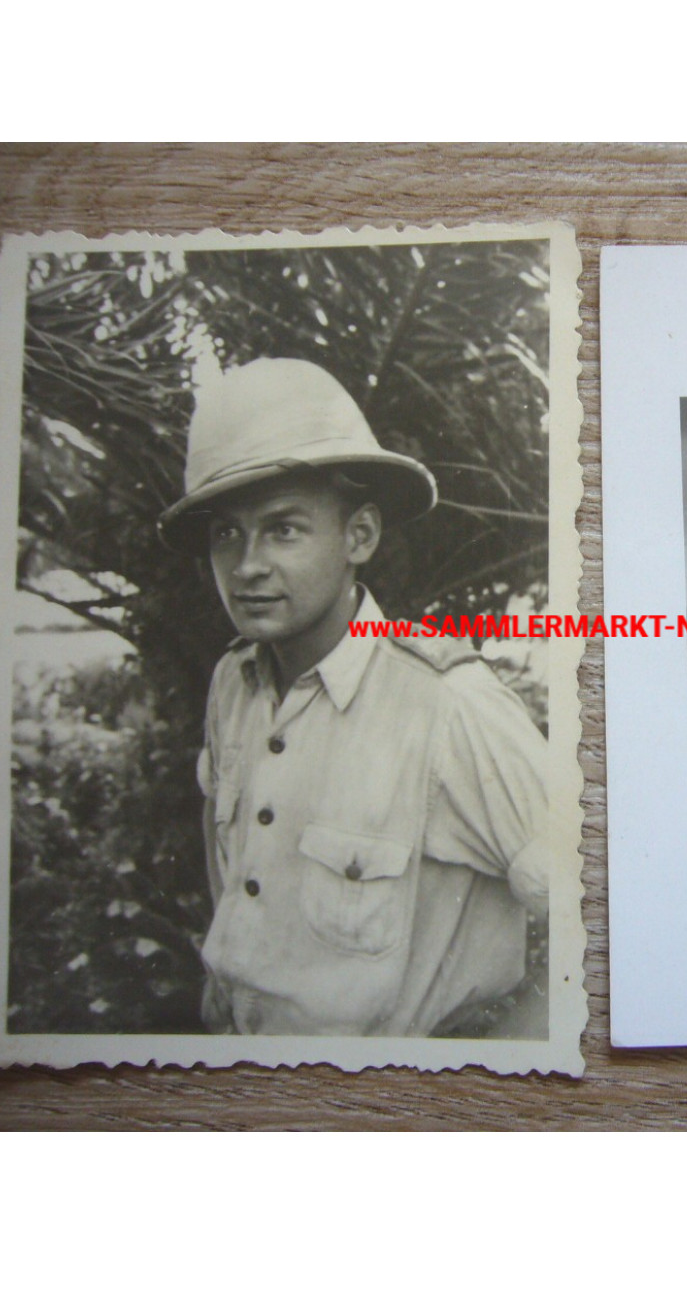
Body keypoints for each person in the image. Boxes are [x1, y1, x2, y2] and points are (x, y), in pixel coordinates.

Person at [158, 357, 549, 1036]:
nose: (247, 566)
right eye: (227, 534)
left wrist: (502, 1073)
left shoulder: (447, 705)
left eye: (283, 528)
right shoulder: (235, 686)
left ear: (358, 536)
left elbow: (610, 914)